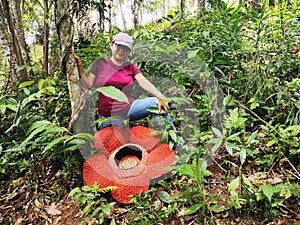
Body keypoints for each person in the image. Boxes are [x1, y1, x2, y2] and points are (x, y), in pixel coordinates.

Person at [75, 32, 176, 132]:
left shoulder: (130, 67)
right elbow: (88, 84)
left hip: (129, 109)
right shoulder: (100, 63)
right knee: (117, 144)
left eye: (126, 48)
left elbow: (143, 81)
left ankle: (176, 142)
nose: (121, 50)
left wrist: (161, 96)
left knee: (157, 102)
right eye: (119, 46)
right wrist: (79, 67)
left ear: (128, 52)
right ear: (111, 45)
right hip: (109, 116)